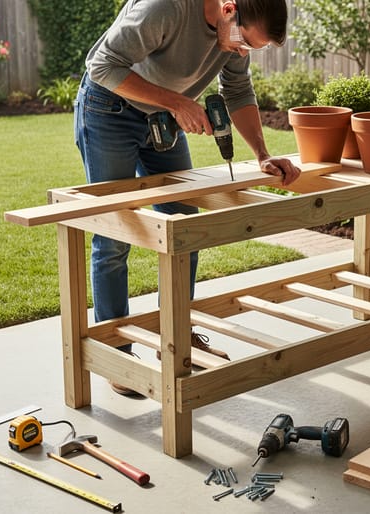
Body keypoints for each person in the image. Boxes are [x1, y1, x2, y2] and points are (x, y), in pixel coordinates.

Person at [74, 0, 301, 396]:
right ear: (229, 8)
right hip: (109, 109)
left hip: (162, 117)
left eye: (254, 49)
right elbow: (103, 66)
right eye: (245, 41)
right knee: (113, 232)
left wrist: (262, 154)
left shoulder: (232, 37)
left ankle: (176, 339)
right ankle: (118, 353)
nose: (243, 52)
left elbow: (237, 89)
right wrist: (177, 101)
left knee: (184, 227)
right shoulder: (165, 8)